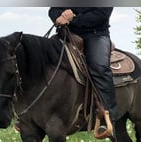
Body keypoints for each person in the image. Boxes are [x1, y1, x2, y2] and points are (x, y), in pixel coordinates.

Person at [48, 7, 119, 135]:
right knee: (41, 59)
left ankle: (107, 116)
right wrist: (59, 16)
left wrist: (72, 19)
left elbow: (102, 14)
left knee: (99, 67)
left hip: (95, 34)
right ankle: (31, 113)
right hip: (66, 34)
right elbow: (53, 9)